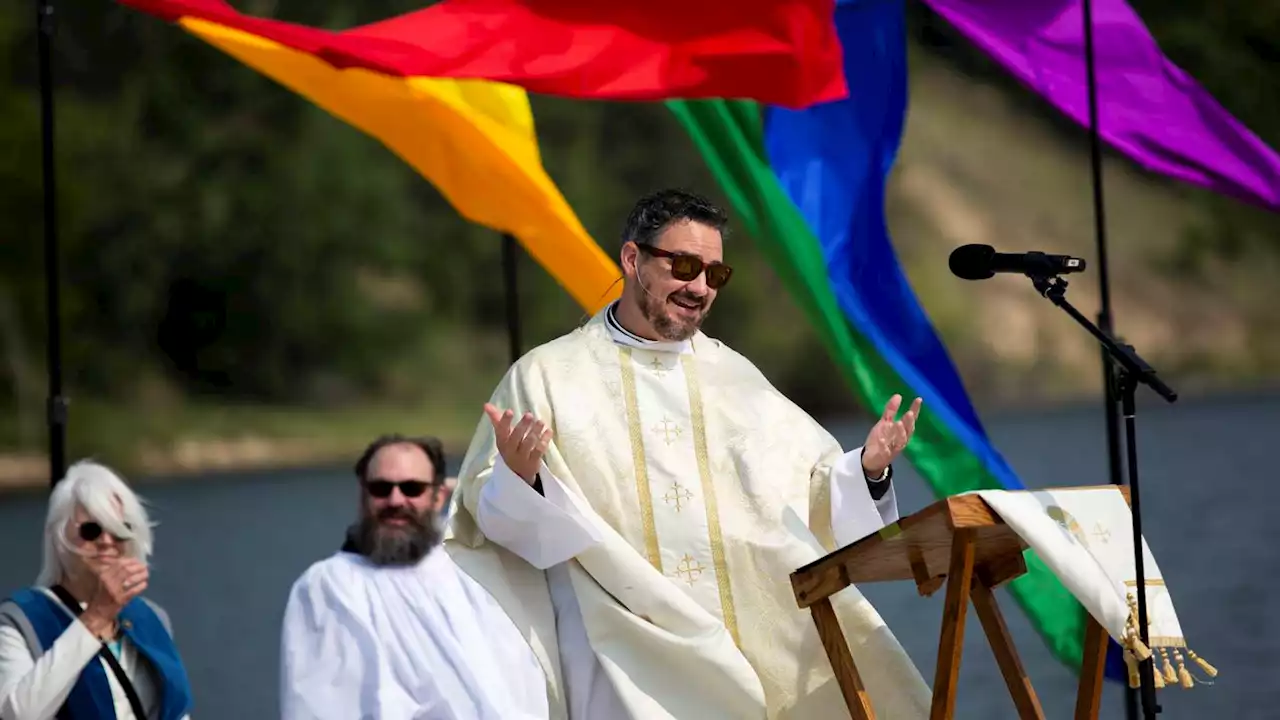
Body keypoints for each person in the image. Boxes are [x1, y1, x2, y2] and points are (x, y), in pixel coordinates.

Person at [447, 189, 933, 719]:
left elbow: (815, 489)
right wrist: (520, 479)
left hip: (760, 642)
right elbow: (484, 522)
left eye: (715, 275)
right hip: (629, 656)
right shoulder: (546, 378)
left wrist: (867, 469)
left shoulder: (736, 377)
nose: (699, 287)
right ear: (633, 260)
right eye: (683, 266)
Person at [279, 434, 550, 720]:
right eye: (381, 488)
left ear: (438, 497)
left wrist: (514, 475)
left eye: (412, 488)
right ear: (363, 494)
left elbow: (528, 523)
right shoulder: (329, 586)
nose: (395, 500)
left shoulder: (473, 556)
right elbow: (318, 705)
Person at [0, 461, 193, 720]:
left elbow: (175, 711)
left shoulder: (151, 617)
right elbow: (17, 715)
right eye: (91, 530)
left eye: (118, 530)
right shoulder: (18, 622)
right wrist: (97, 616)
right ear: (59, 538)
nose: (106, 541)